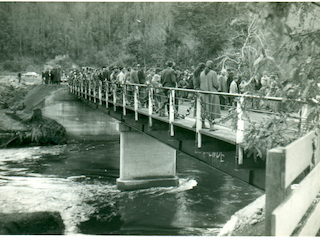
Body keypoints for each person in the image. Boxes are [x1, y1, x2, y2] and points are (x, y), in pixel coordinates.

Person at [200, 60, 221, 130]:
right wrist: (218, 87)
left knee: (204, 109)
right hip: (211, 94)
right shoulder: (213, 73)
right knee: (212, 109)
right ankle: (211, 126)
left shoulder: (202, 73)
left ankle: (202, 123)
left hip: (203, 94)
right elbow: (216, 84)